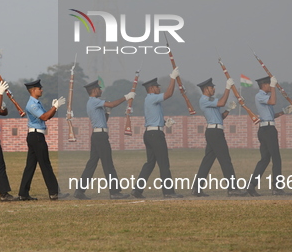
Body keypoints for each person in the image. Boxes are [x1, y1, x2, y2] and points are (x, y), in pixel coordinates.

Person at [73, 80, 136, 200]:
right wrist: (126, 97)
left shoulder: (93, 103)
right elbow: (111, 104)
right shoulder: (95, 101)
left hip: (98, 135)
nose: (101, 91)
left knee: (91, 164)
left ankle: (79, 191)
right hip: (100, 137)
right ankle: (114, 192)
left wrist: (108, 113)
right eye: (99, 89)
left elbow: (103, 121)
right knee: (108, 164)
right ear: (94, 90)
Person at [131, 69, 183, 199]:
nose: (159, 88)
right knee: (164, 163)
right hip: (155, 135)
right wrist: (173, 78)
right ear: (152, 88)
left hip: (150, 133)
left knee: (150, 163)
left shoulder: (151, 100)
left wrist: (164, 122)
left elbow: (153, 117)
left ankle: (137, 190)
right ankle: (168, 192)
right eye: (157, 87)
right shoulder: (153, 98)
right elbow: (169, 94)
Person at [192, 77, 247, 197]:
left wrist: (228, 110)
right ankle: (232, 189)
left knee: (208, 161)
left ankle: (197, 188)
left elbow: (220, 117)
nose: (214, 89)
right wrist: (228, 88)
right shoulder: (204, 100)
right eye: (211, 87)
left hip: (215, 131)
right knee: (225, 160)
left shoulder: (211, 100)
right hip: (214, 132)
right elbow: (221, 102)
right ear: (206, 89)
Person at [18, 79, 69, 201]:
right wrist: (55, 107)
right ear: (33, 90)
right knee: (45, 164)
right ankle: (54, 192)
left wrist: (54, 108)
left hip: (35, 136)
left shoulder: (36, 102)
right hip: (36, 136)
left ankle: (23, 193)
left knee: (30, 166)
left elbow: (47, 116)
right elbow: (45, 117)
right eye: (39, 88)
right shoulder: (32, 104)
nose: (42, 90)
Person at [247, 76, 292, 196]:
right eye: (269, 84)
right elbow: (273, 101)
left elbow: (271, 115)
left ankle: (251, 185)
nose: (270, 86)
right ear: (264, 85)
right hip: (267, 130)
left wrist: (283, 112)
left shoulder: (265, 97)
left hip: (267, 128)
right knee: (276, 158)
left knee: (265, 159)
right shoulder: (260, 95)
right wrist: (274, 87)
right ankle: (277, 188)